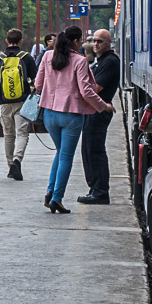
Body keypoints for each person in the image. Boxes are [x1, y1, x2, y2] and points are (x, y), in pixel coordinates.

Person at [34, 25, 114, 214]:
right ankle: (56, 199)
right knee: (66, 157)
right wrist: (103, 106)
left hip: (49, 114)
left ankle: (50, 191)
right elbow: (86, 91)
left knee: (60, 152)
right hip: (71, 115)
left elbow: (38, 84)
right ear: (77, 41)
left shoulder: (47, 56)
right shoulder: (80, 60)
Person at [78, 29, 122, 205]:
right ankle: (94, 189)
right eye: (94, 41)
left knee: (95, 151)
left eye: (100, 41)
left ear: (108, 42)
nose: (96, 44)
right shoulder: (100, 61)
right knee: (88, 150)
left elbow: (95, 89)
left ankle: (100, 192)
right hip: (93, 111)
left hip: (99, 111)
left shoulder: (110, 61)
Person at [0, 28, 36, 181]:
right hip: (22, 101)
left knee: (8, 135)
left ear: (6, 41)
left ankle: (10, 165)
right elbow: (35, 80)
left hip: (4, 102)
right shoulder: (26, 57)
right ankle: (18, 160)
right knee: (22, 133)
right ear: (21, 41)